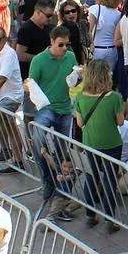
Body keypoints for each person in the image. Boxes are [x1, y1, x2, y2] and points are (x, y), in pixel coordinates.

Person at [28, 25, 79, 221]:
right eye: (61, 44)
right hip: (47, 108)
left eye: (67, 44)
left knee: (63, 152)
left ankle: (60, 190)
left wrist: (77, 77)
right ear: (51, 42)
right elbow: (31, 85)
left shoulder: (71, 57)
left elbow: (73, 82)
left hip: (65, 108)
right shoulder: (39, 60)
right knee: (37, 141)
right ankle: (48, 181)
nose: (64, 48)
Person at [71, 60, 126, 234]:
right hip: (112, 144)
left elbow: (79, 123)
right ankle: (110, 218)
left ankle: (90, 216)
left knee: (91, 178)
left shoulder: (80, 97)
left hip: (90, 144)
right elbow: (121, 121)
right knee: (110, 180)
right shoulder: (115, 97)